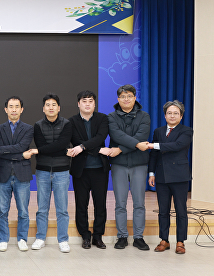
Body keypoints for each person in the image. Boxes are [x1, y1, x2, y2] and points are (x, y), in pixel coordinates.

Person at [107, 84, 151, 251]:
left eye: (129, 96)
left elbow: (142, 136)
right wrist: (136, 145)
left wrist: (120, 149)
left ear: (135, 98)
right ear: (118, 99)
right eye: (123, 97)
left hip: (139, 163)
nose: (126, 99)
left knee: (139, 203)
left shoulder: (144, 116)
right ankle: (122, 236)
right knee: (120, 203)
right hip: (119, 164)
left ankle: (138, 237)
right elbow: (117, 135)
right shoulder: (111, 116)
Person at [29, 93, 72, 253]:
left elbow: (61, 144)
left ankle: (63, 240)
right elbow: (44, 146)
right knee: (42, 208)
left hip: (62, 171)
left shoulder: (67, 124)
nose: (51, 107)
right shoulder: (38, 125)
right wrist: (61, 149)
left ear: (59, 108)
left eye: (54, 105)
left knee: (62, 209)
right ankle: (40, 238)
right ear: (43, 108)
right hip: (43, 171)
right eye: (48, 105)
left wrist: (42, 150)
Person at [67, 91, 111, 249]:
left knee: (100, 204)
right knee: (81, 204)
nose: (87, 104)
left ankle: (98, 236)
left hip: (99, 169)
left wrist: (82, 147)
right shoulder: (71, 121)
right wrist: (98, 149)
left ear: (94, 104)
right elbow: (75, 140)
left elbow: (100, 137)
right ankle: (85, 235)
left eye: (90, 101)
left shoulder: (103, 119)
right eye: (84, 101)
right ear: (78, 104)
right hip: (81, 170)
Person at [148, 100, 193, 254]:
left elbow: (176, 146)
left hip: (179, 176)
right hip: (162, 176)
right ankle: (164, 240)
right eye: (169, 113)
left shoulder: (187, 131)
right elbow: (154, 155)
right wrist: (151, 173)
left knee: (181, 210)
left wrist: (153, 145)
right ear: (165, 115)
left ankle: (180, 242)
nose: (172, 116)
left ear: (181, 116)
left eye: (175, 113)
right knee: (163, 210)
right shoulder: (158, 131)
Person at [0, 97, 34, 252]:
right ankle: (3, 239)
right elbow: (0, 152)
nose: (14, 109)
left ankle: (22, 239)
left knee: (23, 210)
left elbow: (22, 146)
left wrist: (5, 150)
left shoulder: (28, 128)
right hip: (4, 172)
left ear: (21, 109)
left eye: (17, 106)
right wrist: (21, 155)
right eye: (11, 106)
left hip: (22, 174)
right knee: (2, 210)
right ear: (6, 109)